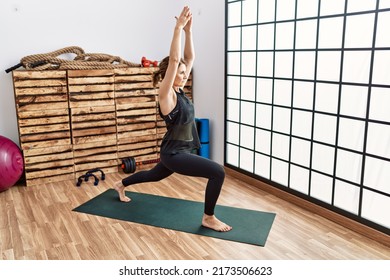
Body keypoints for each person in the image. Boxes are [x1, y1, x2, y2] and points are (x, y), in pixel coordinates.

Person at [113, 6, 232, 232]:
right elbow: (177, 58)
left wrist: (189, 32)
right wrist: (177, 29)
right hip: (174, 154)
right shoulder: (166, 94)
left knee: (153, 175)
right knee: (218, 171)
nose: (184, 73)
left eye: (186, 71)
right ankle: (208, 217)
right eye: (180, 71)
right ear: (170, 72)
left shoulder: (180, 91)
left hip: (178, 151)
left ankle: (121, 184)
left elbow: (189, 57)